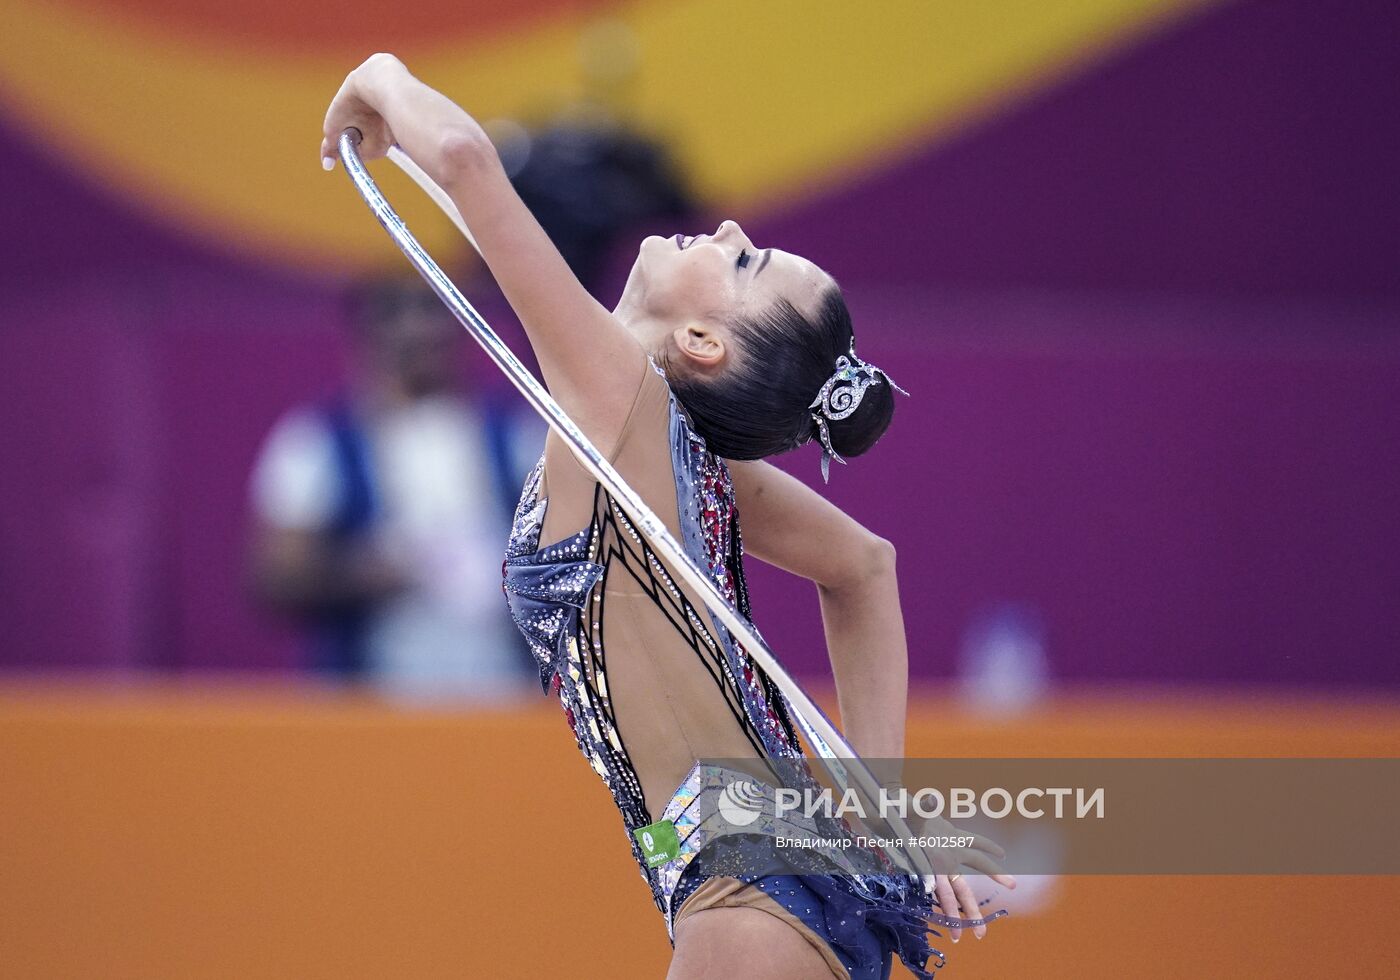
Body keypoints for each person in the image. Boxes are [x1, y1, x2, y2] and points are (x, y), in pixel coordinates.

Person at [320, 53, 1014, 978]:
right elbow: (864, 566)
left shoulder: (627, 407)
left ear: (702, 342)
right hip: (775, 888)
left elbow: (463, 159)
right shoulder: (685, 459)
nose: (727, 229)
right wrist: (876, 815)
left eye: (745, 262)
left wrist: (376, 76)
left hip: (751, 901)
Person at [248, 276, 538, 699]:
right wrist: (370, 572)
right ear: (369, 339)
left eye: (435, 318)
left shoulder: (516, 435)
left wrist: (513, 571)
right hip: (371, 705)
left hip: (506, 698)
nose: (422, 331)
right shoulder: (316, 442)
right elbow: (276, 578)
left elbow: (574, 550)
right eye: (403, 323)